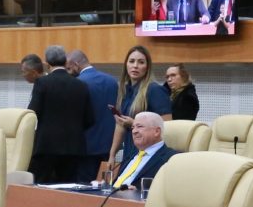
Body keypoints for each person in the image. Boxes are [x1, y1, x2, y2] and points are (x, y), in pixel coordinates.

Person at [25, 46, 93, 185]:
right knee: (67, 190)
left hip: (46, 146)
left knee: (41, 188)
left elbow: (32, 112)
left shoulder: (42, 83)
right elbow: (90, 119)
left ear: (47, 64)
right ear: (65, 62)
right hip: (74, 147)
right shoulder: (81, 85)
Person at [101, 45, 171, 180]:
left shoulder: (155, 90)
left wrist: (134, 124)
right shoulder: (125, 91)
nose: (135, 66)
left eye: (141, 62)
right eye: (132, 61)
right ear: (126, 65)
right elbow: (120, 125)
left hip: (148, 158)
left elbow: (167, 126)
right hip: (129, 154)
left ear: (147, 67)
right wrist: (111, 155)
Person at [68, 49, 118, 185]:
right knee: (104, 186)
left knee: (83, 190)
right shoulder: (112, 81)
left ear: (75, 64)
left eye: (69, 68)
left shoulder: (77, 84)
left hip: (85, 147)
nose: (68, 71)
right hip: (109, 146)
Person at [111, 112, 173, 191]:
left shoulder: (171, 159)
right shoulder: (131, 155)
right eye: (133, 127)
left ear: (157, 131)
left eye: (139, 126)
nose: (134, 131)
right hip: (110, 199)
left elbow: (169, 191)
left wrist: (138, 192)